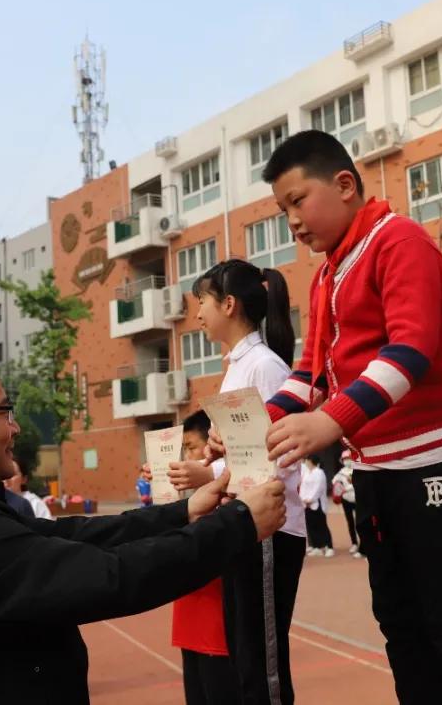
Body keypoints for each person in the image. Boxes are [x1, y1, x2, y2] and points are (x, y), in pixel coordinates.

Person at [253, 130, 442, 704]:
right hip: (377, 471)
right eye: (282, 211)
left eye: (297, 201)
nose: (292, 222)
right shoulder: (328, 273)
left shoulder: (399, 241)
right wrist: (246, 432)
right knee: (401, 627)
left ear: (345, 185)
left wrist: (333, 423)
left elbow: (411, 350)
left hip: (440, 459)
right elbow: (311, 373)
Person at [0, 347, 287, 704]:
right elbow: (114, 577)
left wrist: (185, 511)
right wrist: (239, 524)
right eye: (4, 410)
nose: (15, 426)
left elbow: (70, 536)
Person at [175, 258, 306, 705]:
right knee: (246, 654)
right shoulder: (238, 367)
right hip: (246, 520)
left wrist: (210, 469)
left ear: (228, 304)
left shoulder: (264, 368)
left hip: (268, 526)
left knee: (261, 659)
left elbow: (278, 458)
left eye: (202, 302)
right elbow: (246, 450)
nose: (197, 314)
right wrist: (208, 467)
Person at [169, 410, 239, 705]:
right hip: (188, 622)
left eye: (191, 446)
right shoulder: (187, 500)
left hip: (217, 628)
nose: (186, 455)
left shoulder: (231, 497)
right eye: (184, 447)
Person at [300, 457, 334, 557]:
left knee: (321, 525)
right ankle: (317, 546)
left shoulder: (319, 472)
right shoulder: (307, 473)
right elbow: (303, 487)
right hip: (306, 504)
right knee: (311, 525)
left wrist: (311, 499)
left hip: (317, 503)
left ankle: (329, 547)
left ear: (311, 461)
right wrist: (303, 499)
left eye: (307, 460)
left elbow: (319, 488)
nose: (305, 462)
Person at [331, 458, 361, 557]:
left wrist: (346, 488)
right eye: (345, 459)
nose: (347, 461)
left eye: (348, 459)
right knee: (350, 522)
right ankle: (354, 543)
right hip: (346, 500)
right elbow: (334, 481)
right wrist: (339, 485)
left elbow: (358, 483)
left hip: (357, 499)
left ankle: (362, 545)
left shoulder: (357, 469)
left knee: (360, 522)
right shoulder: (341, 472)